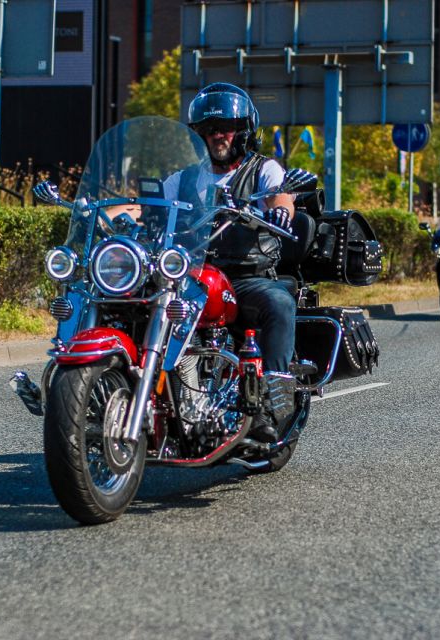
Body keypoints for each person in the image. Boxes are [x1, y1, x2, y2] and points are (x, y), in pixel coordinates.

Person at [163, 82, 295, 443]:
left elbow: (280, 196)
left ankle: (270, 404)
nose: (217, 134)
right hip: (191, 277)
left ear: (243, 130)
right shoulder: (182, 178)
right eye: (208, 128)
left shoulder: (262, 168)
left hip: (245, 276)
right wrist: (106, 213)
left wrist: (281, 211)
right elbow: (150, 208)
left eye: (225, 126)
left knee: (279, 302)